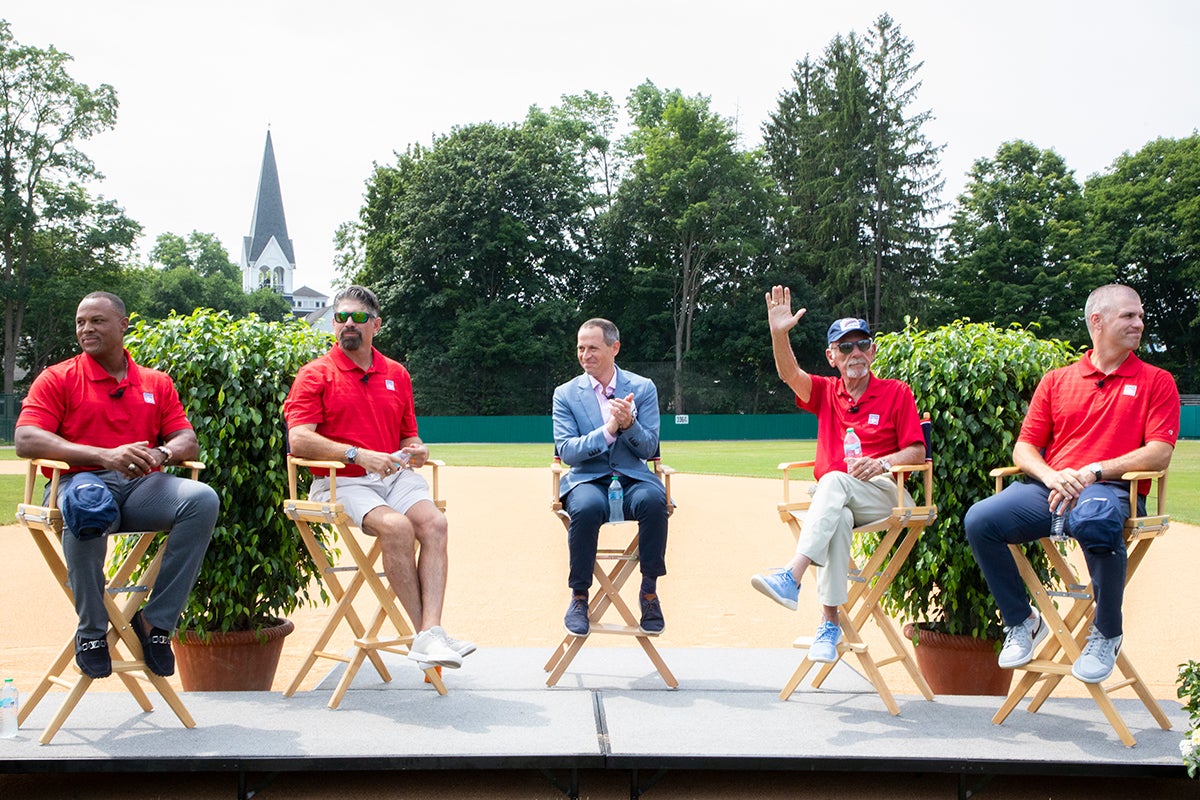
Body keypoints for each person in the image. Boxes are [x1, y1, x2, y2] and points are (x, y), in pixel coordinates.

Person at [965, 284, 1179, 684]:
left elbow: (1159, 454)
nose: (1140, 323)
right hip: (1050, 487)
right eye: (1128, 316)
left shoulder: (1157, 380)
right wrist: (1051, 475)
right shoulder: (1057, 380)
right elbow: (1024, 448)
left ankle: (1106, 632)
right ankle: (1022, 621)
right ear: (1097, 322)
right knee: (981, 520)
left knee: (1095, 517)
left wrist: (1094, 471)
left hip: (1111, 488)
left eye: (1140, 315)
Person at [14, 292, 219, 680]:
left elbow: (186, 441)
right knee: (89, 505)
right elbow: (26, 438)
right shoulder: (58, 377)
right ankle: (91, 631)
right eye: (81, 322)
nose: (86, 329)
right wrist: (104, 455)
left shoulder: (155, 382)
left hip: (141, 486)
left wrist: (159, 454)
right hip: (78, 481)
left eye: (97, 321)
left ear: (123, 325)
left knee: (202, 499)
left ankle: (155, 624)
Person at [283, 285, 474, 670]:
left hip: (392, 475)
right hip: (341, 481)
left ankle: (429, 633)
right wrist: (356, 454)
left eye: (358, 317)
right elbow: (298, 438)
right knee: (399, 528)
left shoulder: (396, 374)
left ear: (376, 325)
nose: (348, 324)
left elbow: (408, 435)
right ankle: (428, 637)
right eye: (341, 317)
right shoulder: (315, 374)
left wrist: (418, 449)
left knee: (435, 523)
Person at [750, 286, 926, 663]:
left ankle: (792, 575)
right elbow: (788, 373)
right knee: (838, 515)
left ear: (873, 351)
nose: (855, 353)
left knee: (830, 482)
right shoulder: (826, 391)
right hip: (838, 501)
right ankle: (829, 626)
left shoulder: (896, 392)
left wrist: (882, 463)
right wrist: (779, 333)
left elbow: (917, 450)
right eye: (845, 348)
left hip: (886, 493)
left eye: (862, 344)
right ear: (832, 357)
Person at [552, 318, 669, 637]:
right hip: (587, 481)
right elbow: (567, 451)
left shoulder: (642, 388)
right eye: (580, 348)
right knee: (586, 508)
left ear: (614, 348)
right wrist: (608, 431)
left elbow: (648, 448)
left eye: (593, 347)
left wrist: (630, 424)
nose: (585, 355)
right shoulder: (565, 394)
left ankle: (649, 592)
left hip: (633, 479)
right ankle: (579, 597)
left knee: (654, 501)